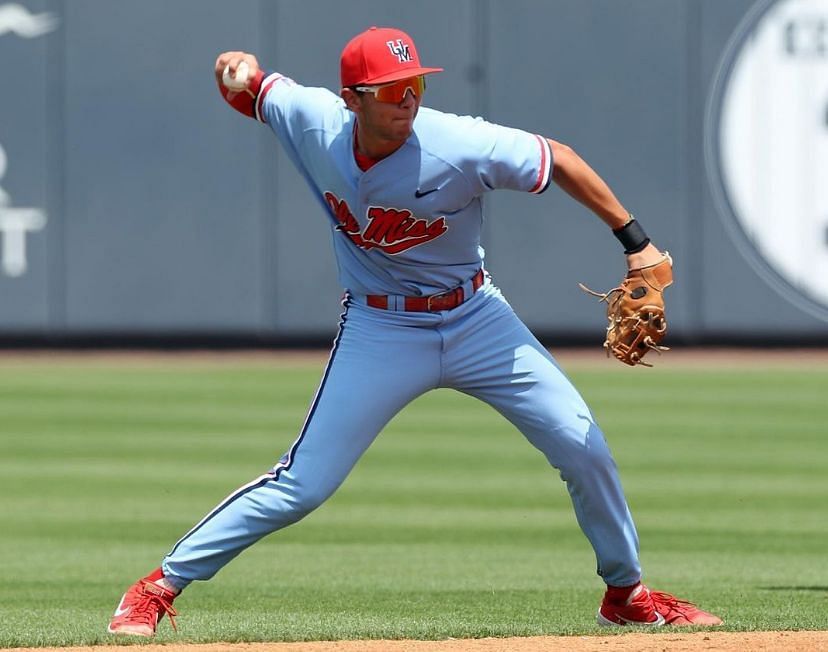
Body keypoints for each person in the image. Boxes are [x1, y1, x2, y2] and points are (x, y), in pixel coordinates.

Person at [108, 26, 722, 637]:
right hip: (382, 326)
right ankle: (160, 584)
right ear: (353, 98)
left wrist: (635, 243)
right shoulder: (312, 119)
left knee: (583, 449)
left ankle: (626, 593)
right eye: (390, 89)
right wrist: (230, 70)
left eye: (414, 84)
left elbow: (556, 157)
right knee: (303, 484)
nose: (407, 98)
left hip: (477, 318)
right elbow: (254, 92)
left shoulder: (457, 142)